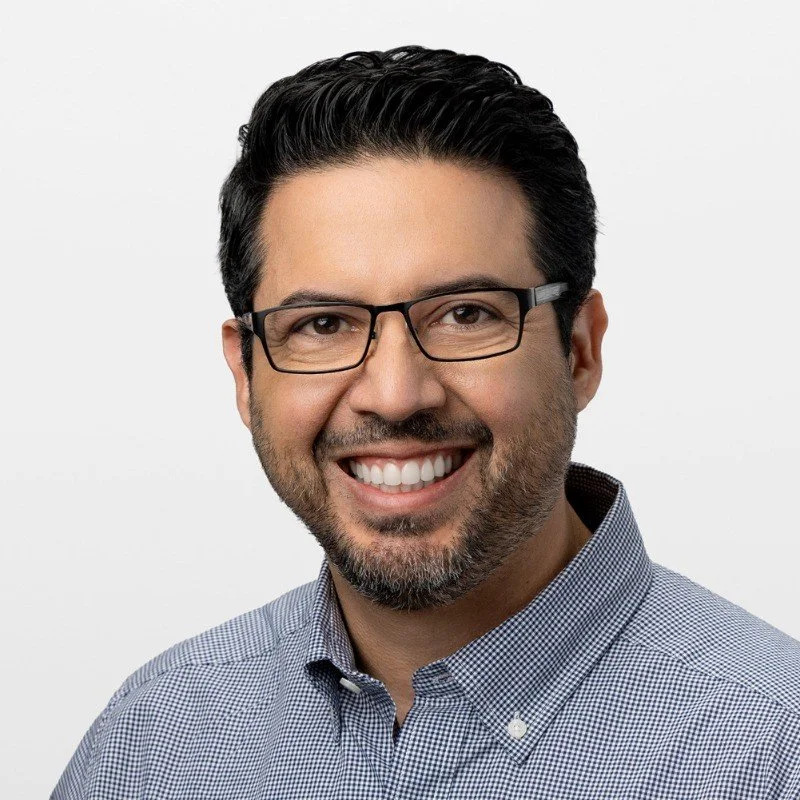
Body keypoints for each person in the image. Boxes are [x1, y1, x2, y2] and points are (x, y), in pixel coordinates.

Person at [52, 45, 800, 799]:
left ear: (579, 352)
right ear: (246, 374)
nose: (396, 393)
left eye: (465, 314)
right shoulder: (151, 744)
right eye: (323, 324)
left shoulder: (776, 750)